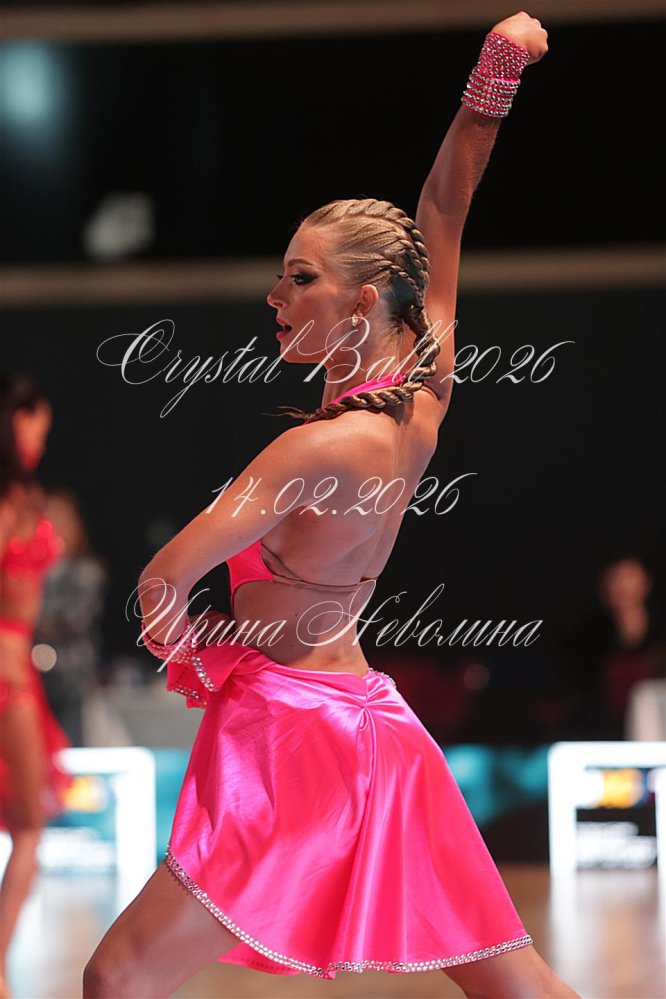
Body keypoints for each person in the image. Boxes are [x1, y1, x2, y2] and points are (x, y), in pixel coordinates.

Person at [84, 13, 580, 998]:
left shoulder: (311, 449)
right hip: (373, 725)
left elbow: (162, 580)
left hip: (290, 735)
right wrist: (498, 71)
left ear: (361, 302)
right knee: (518, 986)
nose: (276, 295)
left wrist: (198, 653)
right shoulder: (424, 399)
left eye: (301, 278)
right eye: (281, 275)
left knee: (118, 978)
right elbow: (445, 207)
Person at [0, 374, 74, 999]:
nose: (41, 440)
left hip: (17, 669)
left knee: (28, 826)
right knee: (27, 826)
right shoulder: (10, 500)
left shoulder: (23, 495)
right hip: (8, 675)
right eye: (36, 426)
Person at [558, 553, 665, 740]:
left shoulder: (660, 630)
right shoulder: (585, 638)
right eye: (614, 578)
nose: (622, 587)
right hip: (602, 735)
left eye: (628, 577)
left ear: (646, 581)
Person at [34, 489, 109, 746]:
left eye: (61, 518)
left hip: (73, 681)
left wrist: (24, 621)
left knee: (70, 751)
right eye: (48, 518)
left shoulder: (88, 570)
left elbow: (73, 618)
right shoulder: (32, 573)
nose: (54, 526)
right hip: (33, 679)